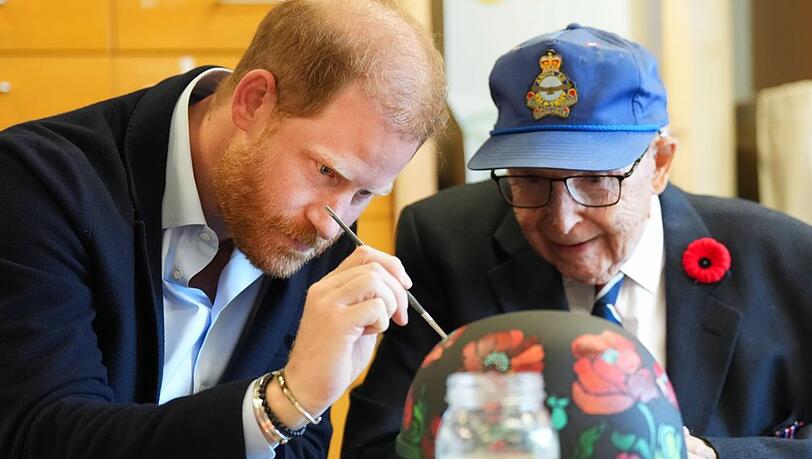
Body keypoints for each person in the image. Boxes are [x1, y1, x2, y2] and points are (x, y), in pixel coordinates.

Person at [0, 1, 446, 458]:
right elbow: (42, 435)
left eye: (365, 194)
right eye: (327, 171)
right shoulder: (36, 184)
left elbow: (303, 448)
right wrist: (281, 405)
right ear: (252, 102)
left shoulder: (319, 233)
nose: (331, 226)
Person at [343, 24, 812, 459]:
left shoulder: (786, 258)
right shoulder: (444, 243)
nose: (563, 222)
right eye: (529, 181)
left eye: (595, 181)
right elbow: (377, 444)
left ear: (661, 164)